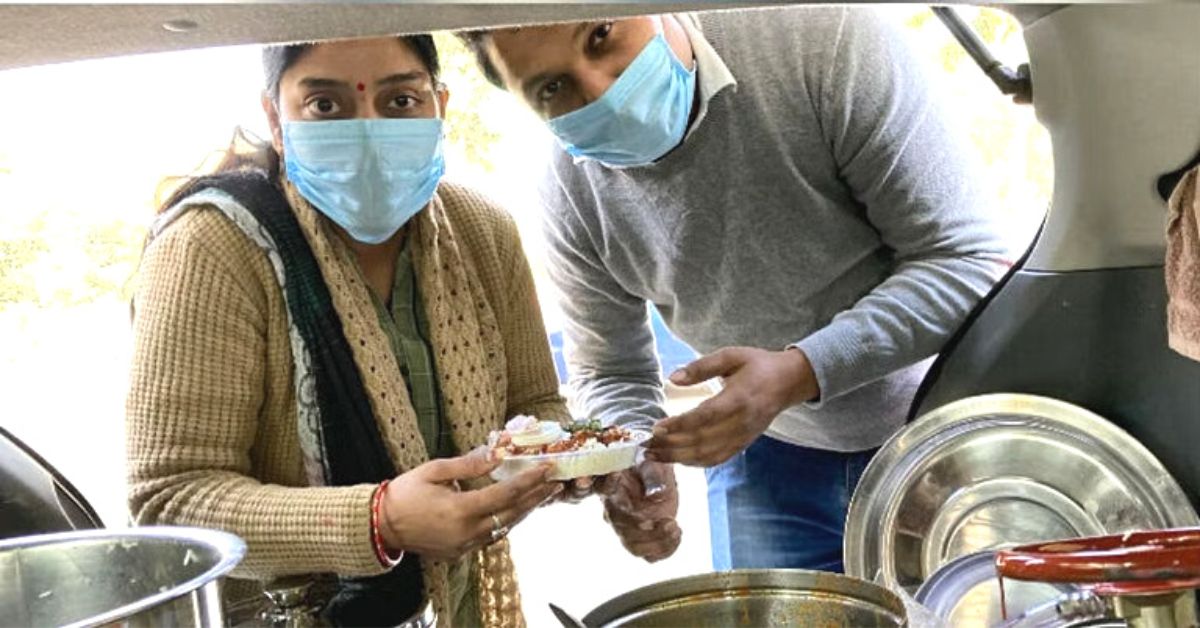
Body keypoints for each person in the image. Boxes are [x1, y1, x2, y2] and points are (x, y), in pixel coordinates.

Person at [459, 7, 1012, 572]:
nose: (602, 91)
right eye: (553, 88)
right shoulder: (567, 193)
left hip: (939, 429)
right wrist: (634, 457)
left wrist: (801, 372)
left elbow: (964, 262)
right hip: (764, 454)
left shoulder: (822, 40)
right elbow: (610, 369)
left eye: (601, 36)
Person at [126, 35, 566, 627]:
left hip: (458, 607)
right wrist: (379, 521)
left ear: (441, 107)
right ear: (275, 119)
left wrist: (592, 469)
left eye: (401, 101)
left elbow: (536, 409)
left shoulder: (481, 231)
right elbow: (170, 502)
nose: (368, 131)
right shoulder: (211, 249)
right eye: (326, 106)